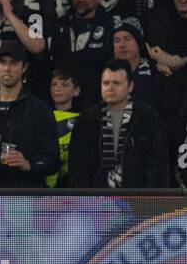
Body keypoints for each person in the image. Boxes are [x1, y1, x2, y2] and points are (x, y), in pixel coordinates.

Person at [66, 59, 168, 188]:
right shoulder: (86, 120)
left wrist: (150, 202)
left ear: (130, 86)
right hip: (95, 202)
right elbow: (78, 168)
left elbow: (157, 166)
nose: (110, 88)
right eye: (106, 83)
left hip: (137, 200)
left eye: (116, 83)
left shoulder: (148, 118)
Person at [0, 41, 59, 188]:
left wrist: (29, 164)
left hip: (24, 197)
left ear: (24, 67)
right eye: (2, 62)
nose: (7, 68)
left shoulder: (39, 110)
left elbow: (53, 161)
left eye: (13, 63)